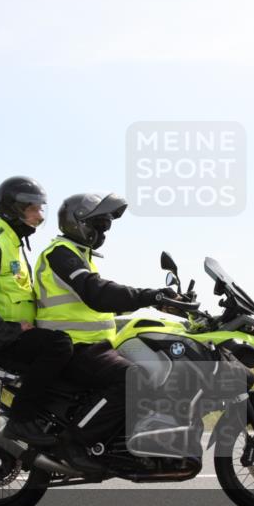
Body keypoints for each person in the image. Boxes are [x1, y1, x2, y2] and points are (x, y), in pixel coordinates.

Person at [33, 192, 174, 468]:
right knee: (133, 379)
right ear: (79, 223)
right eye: (98, 226)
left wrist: (161, 303)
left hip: (91, 345)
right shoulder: (60, 254)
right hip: (73, 346)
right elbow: (97, 293)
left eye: (105, 227)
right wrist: (151, 296)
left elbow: (100, 301)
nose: (103, 233)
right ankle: (75, 443)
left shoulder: (79, 256)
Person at [0, 176, 73, 447]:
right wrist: (6, 332)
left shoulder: (14, 245)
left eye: (41, 209)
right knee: (58, 345)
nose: (40, 216)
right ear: (13, 208)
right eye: (33, 209)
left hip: (5, 334)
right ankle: (22, 420)